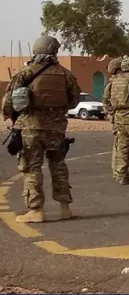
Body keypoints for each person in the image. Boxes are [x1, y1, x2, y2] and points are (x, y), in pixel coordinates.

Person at [1, 35, 81, 223]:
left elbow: (9, 100)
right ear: (54, 50)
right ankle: (65, 208)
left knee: (31, 167)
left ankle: (36, 210)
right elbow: (74, 100)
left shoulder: (25, 73)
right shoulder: (65, 74)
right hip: (56, 129)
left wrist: (11, 116)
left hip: (30, 127)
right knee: (58, 165)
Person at [103, 57, 129, 185]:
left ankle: (121, 175)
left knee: (122, 149)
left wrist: (112, 113)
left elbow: (105, 99)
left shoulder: (114, 81)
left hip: (119, 119)